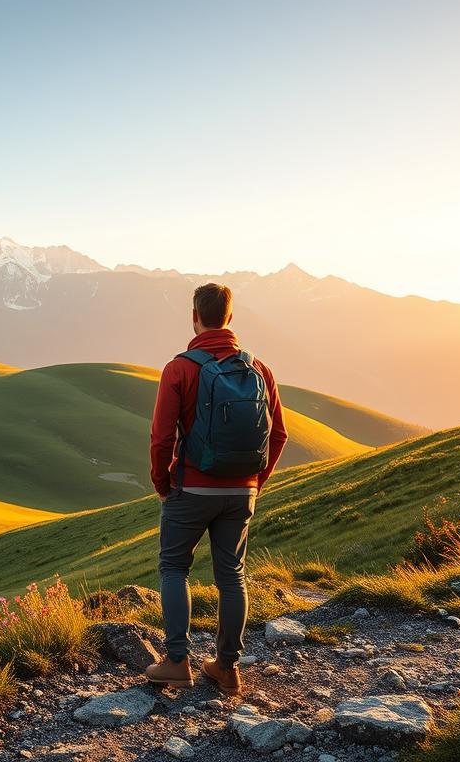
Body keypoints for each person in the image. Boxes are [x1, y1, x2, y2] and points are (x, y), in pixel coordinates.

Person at [143, 283, 288, 695]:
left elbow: (161, 438)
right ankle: (227, 668)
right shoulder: (259, 369)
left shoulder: (179, 369)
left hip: (191, 487)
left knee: (174, 568)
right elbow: (279, 434)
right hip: (242, 491)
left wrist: (163, 483)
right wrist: (256, 482)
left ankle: (176, 662)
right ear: (230, 317)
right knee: (232, 576)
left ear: (195, 316)